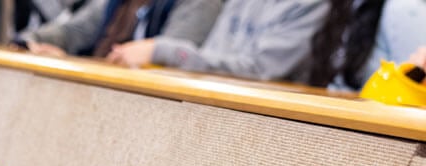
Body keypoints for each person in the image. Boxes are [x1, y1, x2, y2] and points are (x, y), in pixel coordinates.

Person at [104, 0, 329, 82]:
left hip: (265, 125)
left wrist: (165, 51)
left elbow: (262, 71)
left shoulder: (311, 6)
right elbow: (215, 54)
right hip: (211, 109)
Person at [17, 0, 222, 59]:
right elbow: (72, 31)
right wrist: (30, 41)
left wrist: (67, 63)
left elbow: (167, 67)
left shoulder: (200, 4)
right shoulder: (116, 3)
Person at [307, 0, 426, 90]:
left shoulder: (405, 8)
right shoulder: (344, 5)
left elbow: (410, 88)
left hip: (373, 116)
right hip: (335, 109)